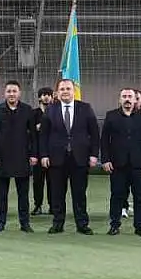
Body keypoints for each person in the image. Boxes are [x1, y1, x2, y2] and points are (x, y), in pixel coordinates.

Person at [40, 78, 100, 235]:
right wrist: (44, 155)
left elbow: (94, 133)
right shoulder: (50, 110)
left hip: (79, 158)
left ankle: (82, 224)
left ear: (74, 91)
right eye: (62, 89)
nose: (65, 91)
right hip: (56, 158)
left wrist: (94, 155)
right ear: (57, 92)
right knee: (57, 193)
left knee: (79, 193)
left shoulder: (85, 108)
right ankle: (57, 223)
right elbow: (44, 135)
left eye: (68, 88)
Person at [101, 87, 141, 237]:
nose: (127, 99)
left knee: (140, 197)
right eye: (124, 96)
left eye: (130, 96)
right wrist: (105, 159)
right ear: (120, 100)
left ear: (135, 100)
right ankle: (114, 225)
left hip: (139, 164)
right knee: (117, 195)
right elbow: (104, 140)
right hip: (117, 164)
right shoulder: (111, 116)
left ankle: (139, 226)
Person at [0, 80, 36, 232]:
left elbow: (33, 135)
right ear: (5, 93)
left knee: (23, 194)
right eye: (9, 91)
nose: (11, 94)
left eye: (14, 91)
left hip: (22, 157)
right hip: (2, 158)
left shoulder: (28, 110)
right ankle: (0, 222)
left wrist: (34, 154)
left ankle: (25, 223)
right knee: (2, 194)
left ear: (19, 93)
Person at [30, 87, 53, 215]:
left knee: (52, 181)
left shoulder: (55, 112)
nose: (46, 97)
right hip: (38, 153)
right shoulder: (33, 113)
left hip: (52, 153)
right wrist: (36, 127)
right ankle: (37, 205)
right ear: (39, 97)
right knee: (38, 181)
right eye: (44, 95)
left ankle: (52, 205)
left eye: (49, 94)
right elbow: (29, 133)